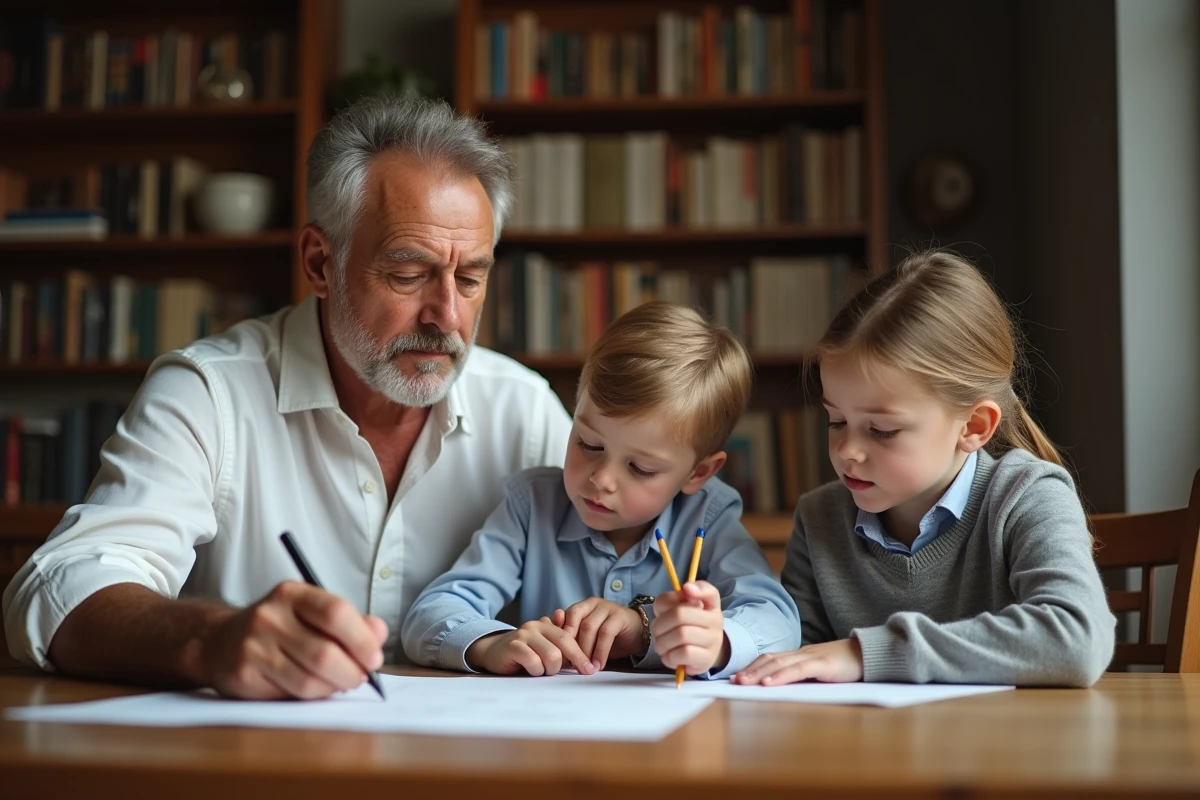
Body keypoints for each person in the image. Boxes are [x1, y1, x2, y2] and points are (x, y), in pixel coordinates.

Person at [2, 96, 573, 699]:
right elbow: (58, 587)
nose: (446, 315)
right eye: (408, 275)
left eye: (471, 277)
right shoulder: (210, 394)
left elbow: (638, 555)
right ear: (320, 262)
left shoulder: (523, 411)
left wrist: (647, 620)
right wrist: (212, 639)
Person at [734, 250, 1116, 688]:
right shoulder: (819, 518)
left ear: (973, 426)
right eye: (836, 421)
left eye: (881, 430)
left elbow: (1077, 640)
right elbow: (796, 658)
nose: (847, 451)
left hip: (1008, 751)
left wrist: (867, 653)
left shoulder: (1028, 496)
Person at [402, 302, 800, 679]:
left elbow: (778, 622)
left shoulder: (707, 518)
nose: (601, 479)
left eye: (640, 468)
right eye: (589, 445)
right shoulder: (532, 506)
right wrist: (490, 644)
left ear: (697, 473)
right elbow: (431, 613)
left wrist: (679, 636)